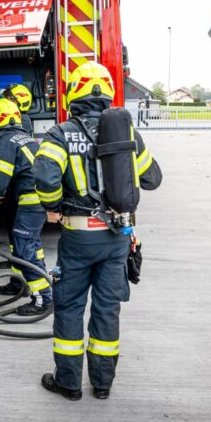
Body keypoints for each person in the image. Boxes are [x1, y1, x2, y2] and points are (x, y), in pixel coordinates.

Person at [33, 61, 161, 400]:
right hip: (117, 238)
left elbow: (45, 175)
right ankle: (102, 385)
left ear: (74, 92)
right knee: (107, 308)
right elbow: (152, 179)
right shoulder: (127, 133)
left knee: (71, 306)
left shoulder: (60, 133)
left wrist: (54, 206)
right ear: (108, 92)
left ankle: (69, 383)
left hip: (77, 238)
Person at [0, 98, 52, 315]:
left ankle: (43, 299)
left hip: (30, 201)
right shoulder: (25, 138)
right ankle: (21, 283)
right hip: (39, 199)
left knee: (24, 248)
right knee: (28, 245)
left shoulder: (5, 142)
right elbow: (18, 173)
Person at [0, 83, 35, 274]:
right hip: (17, 183)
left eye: (9, 97)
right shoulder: (21, 121)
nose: (5, 99)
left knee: (18, 230)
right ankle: (16, 264)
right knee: (14, 226)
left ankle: (21, 267)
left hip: (21, 186)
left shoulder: (20, 121)